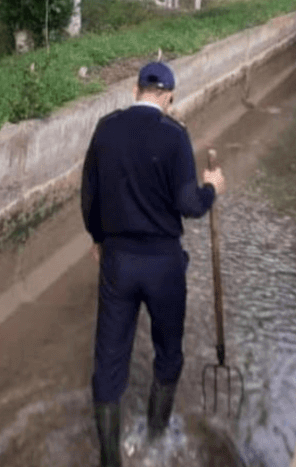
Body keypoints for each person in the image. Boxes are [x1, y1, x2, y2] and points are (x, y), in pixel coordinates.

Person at [80, 62, 226, 467]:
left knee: (108, 361)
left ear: (135, 89)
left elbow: (88, 194)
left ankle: (111, 461)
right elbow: (188, 204)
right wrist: (212, 189)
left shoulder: (105, 129)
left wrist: (97, 238)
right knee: (168, 353)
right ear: (170, 97)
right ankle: (157, 438)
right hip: (163, 264)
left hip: (118, 261)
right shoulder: (175, 136)